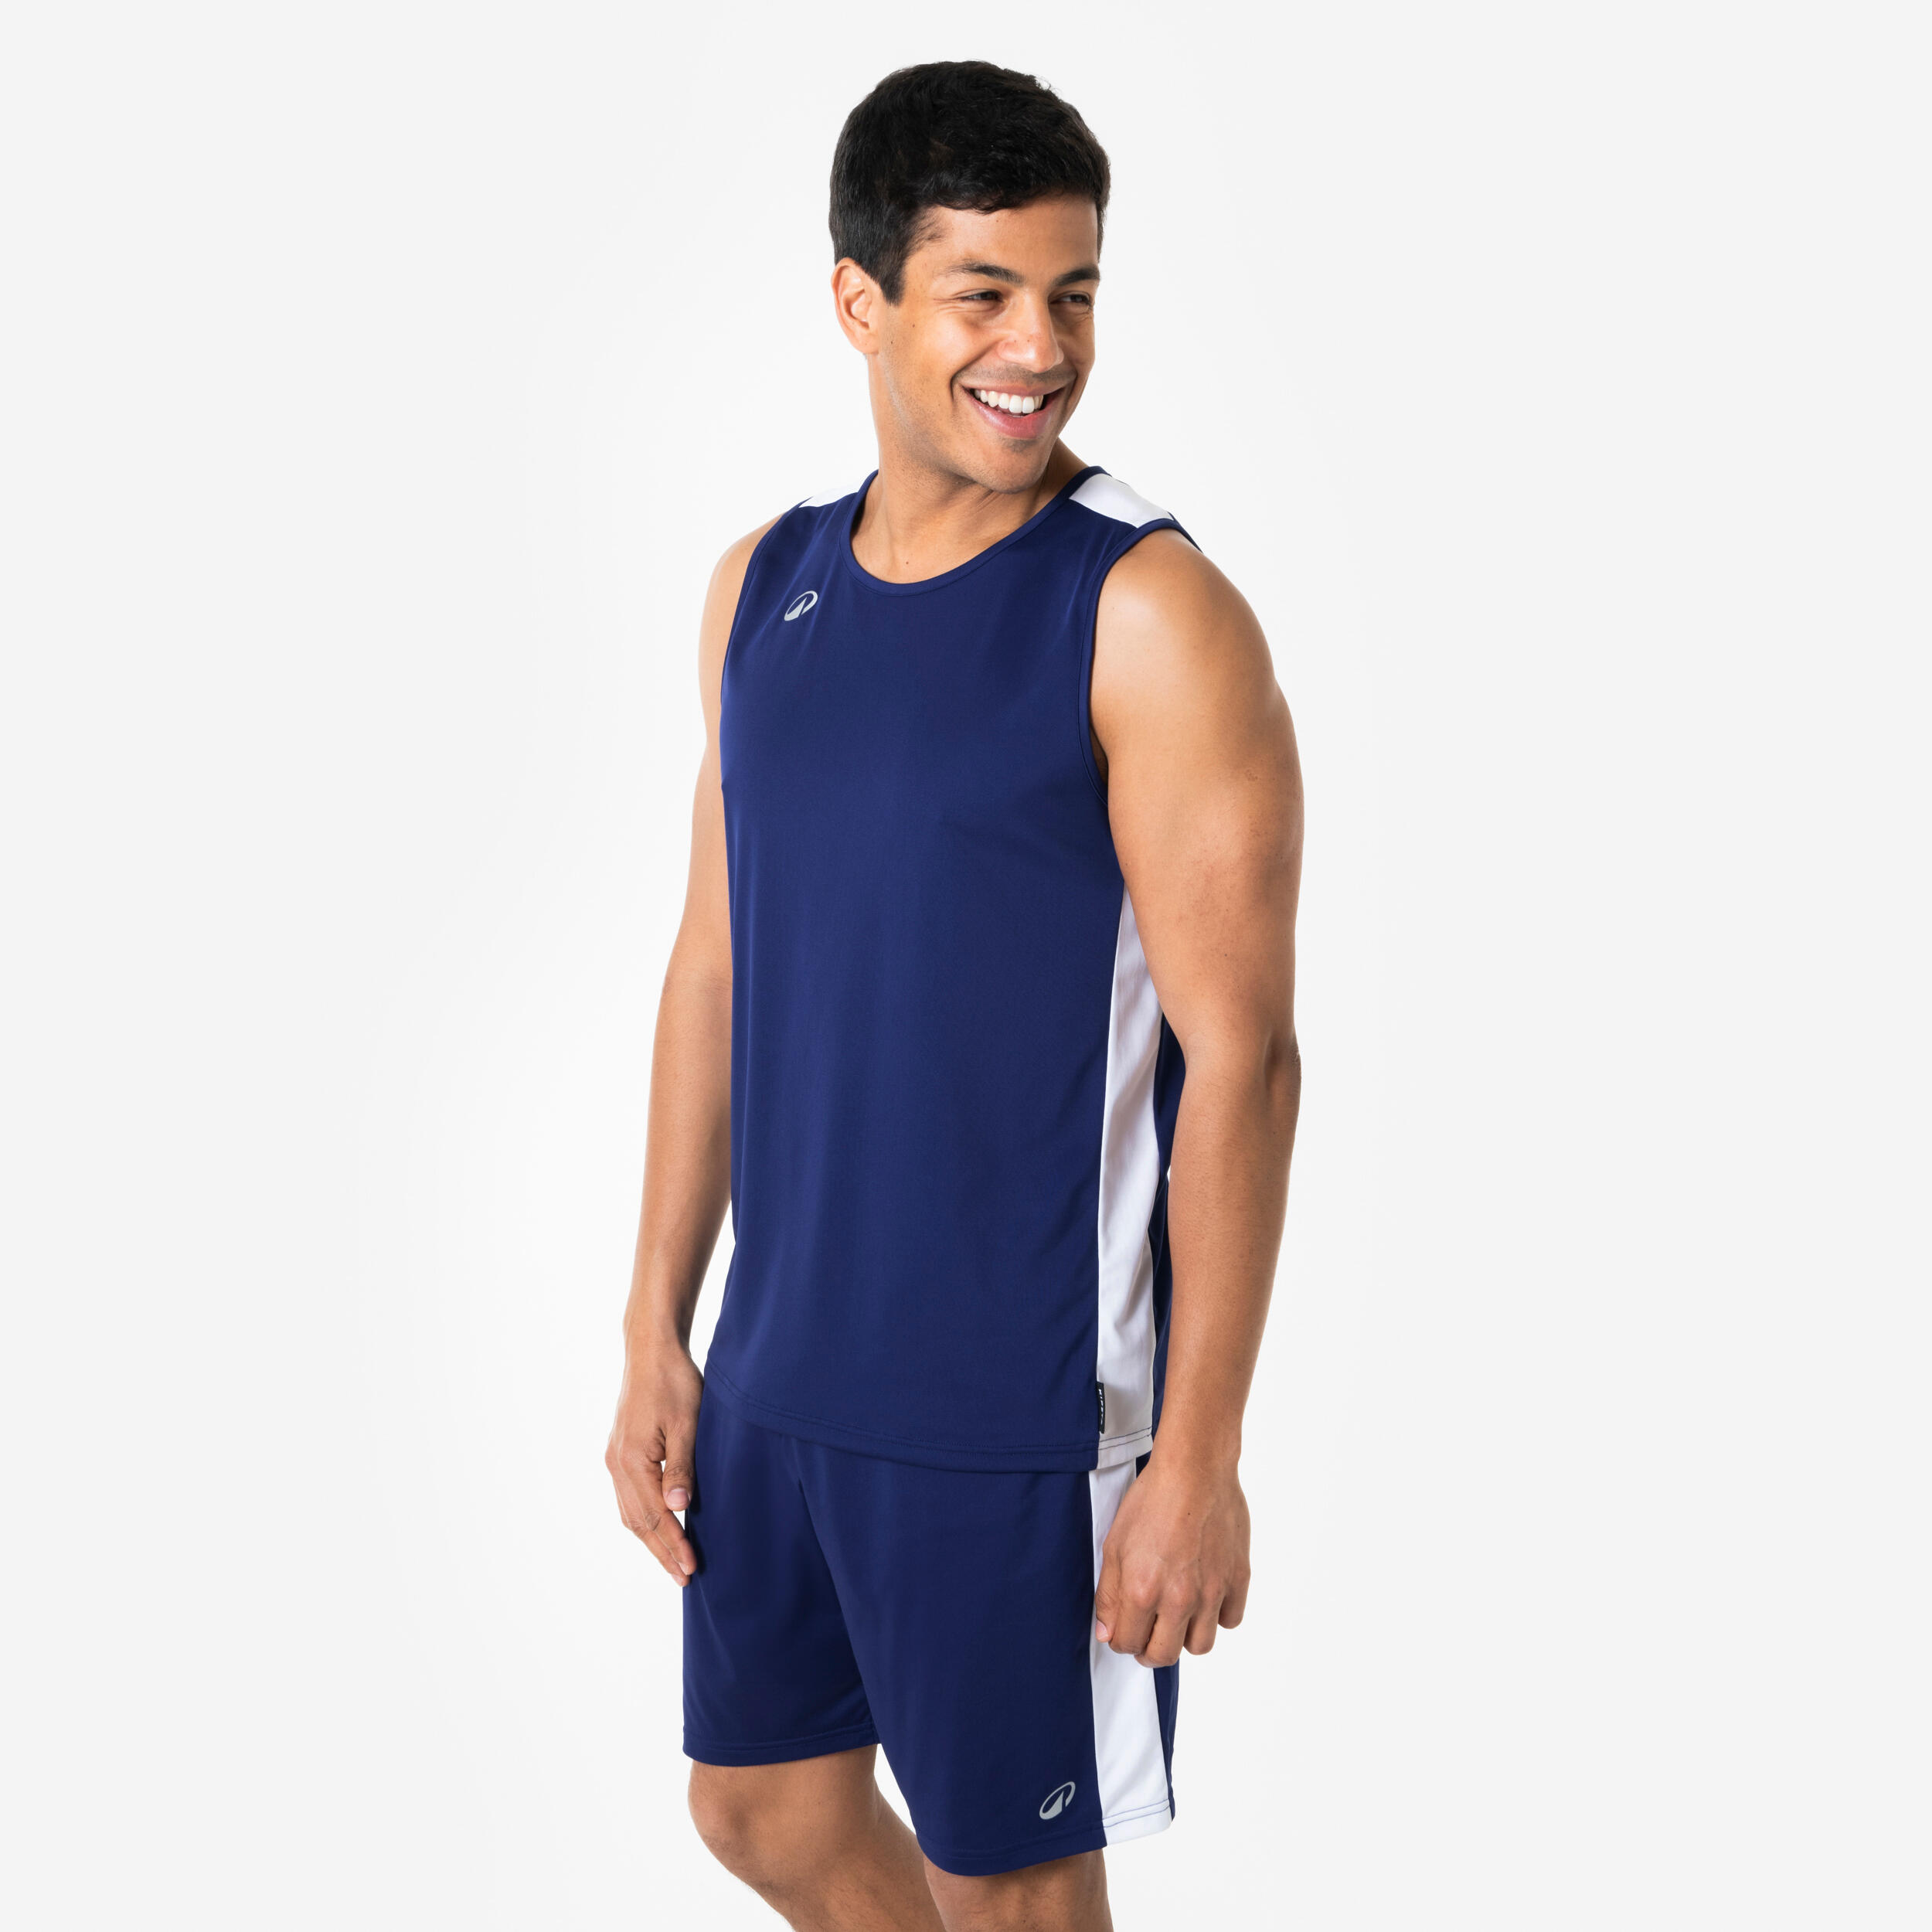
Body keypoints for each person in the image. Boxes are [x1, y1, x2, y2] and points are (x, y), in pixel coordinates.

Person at [606, 60, 1303, 1932]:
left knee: (1013, 1893)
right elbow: (714, 961)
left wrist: (1198, 1453)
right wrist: (656, 1317)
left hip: (1011, 1406)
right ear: (861, 302)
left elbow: (1241, 1060)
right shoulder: (761, 589)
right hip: (780, 1367)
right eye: (981, 294)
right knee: (758, 1803)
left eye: (1070, 294)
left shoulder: (1144, 613)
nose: (1038, 348)